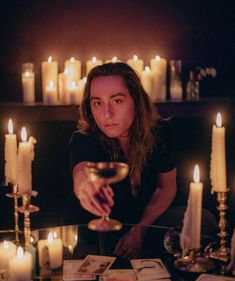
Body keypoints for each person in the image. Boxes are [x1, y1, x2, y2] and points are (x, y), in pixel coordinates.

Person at [64, 62, 217, 259]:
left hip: (148, 224)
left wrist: (139, 231)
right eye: (97, 103)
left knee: (203, 220)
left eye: (117, 101)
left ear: (136, 101)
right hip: (101, 233)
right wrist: (87, 188)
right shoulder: (85, 138)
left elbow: (166, 188)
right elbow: (82, 172)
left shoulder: (161, 132)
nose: (106, 114)